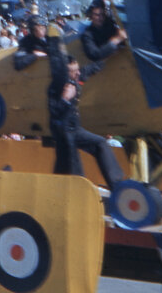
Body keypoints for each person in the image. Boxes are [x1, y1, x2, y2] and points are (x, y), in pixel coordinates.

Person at [45, 28, 123, 190]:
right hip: (64, 133)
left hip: (75, 129)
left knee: (100, 143)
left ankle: (117, 185)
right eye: (73, 71)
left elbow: (93, 68)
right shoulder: (57, 87)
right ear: (66, 72)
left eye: (77, 70)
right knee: (70, 167)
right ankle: (67, 193)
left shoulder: (76, 78)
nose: (77, 73)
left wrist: (111, 53)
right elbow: (54, 112)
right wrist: (65, 100)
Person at [80, 0, 127, 74]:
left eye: (102, 15)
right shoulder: (87, 35)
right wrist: (116, 40)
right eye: (97, 15)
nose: (100, 18)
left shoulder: (111, 25)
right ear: (91, 15)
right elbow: (94, 55)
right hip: (105, 73)